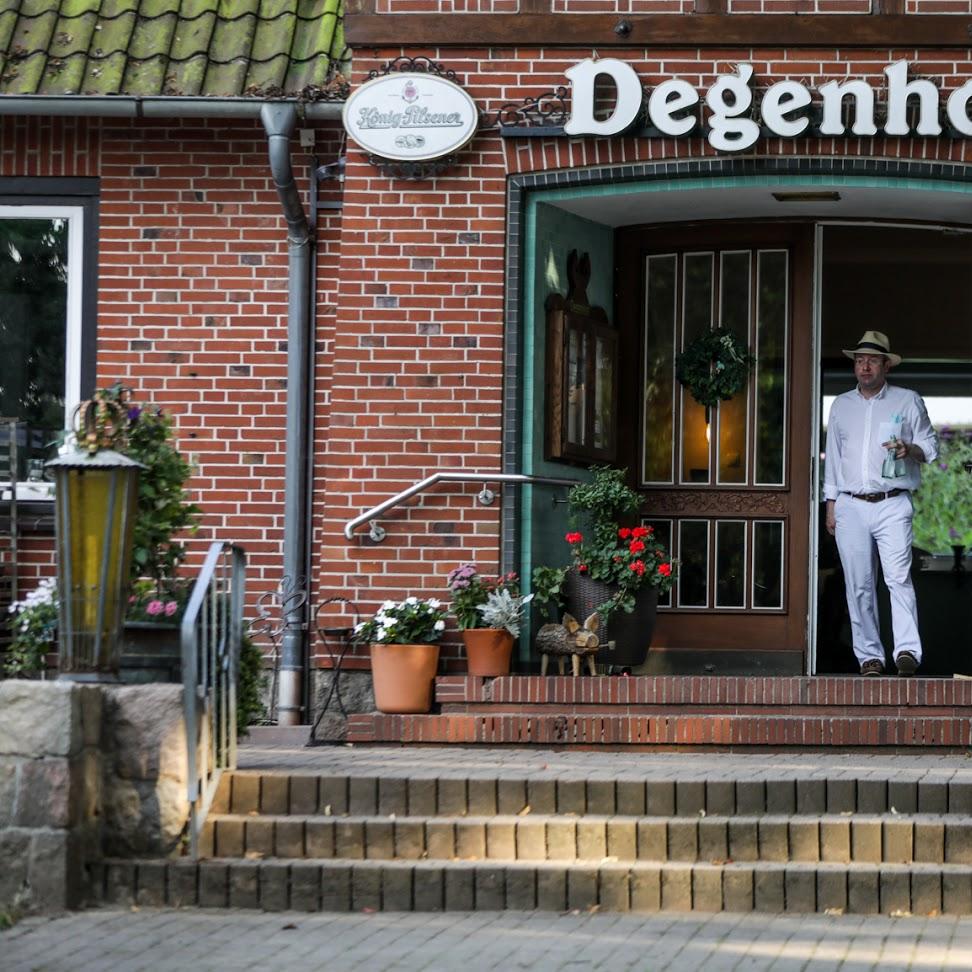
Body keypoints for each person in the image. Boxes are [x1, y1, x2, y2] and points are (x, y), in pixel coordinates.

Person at [823, 330, 937, 677]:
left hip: (892, 503)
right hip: (850, 503)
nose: (865, 366)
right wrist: (831, 504)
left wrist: (909, 449)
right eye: (860, 360)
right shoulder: (841, 405)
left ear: (887, 365)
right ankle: (869, 657)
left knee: (898, 578)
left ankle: (907, 652)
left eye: (872, 360)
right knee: (858, 584)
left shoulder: (908, 400)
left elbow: (930, 448)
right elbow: (833, 459)